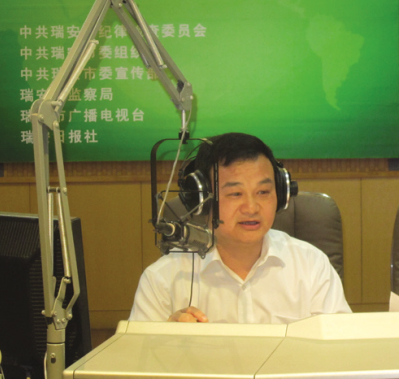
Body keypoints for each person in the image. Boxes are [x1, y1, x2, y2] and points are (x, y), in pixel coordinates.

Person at [129, 132, 351, 323]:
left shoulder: (311, 265)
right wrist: (163, 338)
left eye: (263, 192)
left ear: (281, 194)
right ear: (200, 199)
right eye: (235, 194)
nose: (252, 208)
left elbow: (340, 347)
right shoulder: (163, 279)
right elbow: (138, 356)